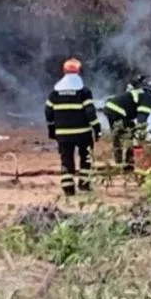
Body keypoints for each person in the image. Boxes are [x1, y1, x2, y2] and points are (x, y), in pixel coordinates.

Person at [43, 58, 100, 196]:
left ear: (64, 71)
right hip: (83, 133)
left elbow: (48, 111)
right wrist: (97, 129)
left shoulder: (54, 93)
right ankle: (84, 185)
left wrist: (51, 129)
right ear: (79, 72)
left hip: (63, 134)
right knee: (86, 157)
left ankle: (68, 189)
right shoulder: (84, 91)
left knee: (66, 159)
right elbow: (90, 111)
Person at [101, 74, 151, 174]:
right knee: (130, 134)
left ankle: (119, 163)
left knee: (117, 135)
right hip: (118, 112)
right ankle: (128, 165)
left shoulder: (142, 93)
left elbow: (130, 90)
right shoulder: (148, 99)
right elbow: (142, 117)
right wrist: (141, 132)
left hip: (110, 108)